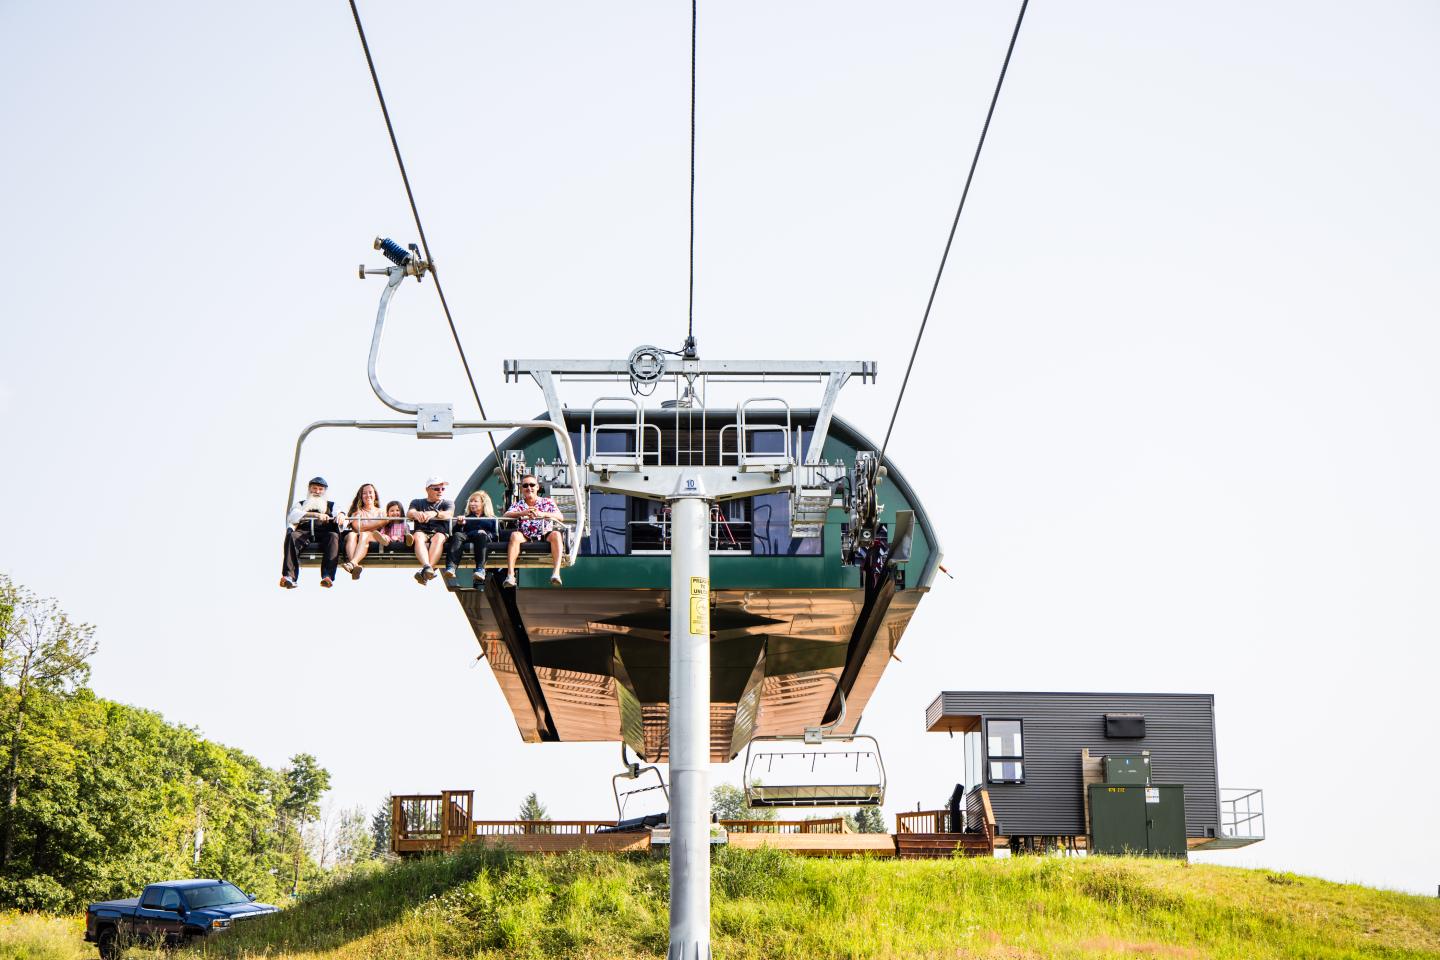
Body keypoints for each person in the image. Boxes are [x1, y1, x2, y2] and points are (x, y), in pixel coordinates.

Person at [280, 476, 346, 589]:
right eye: (314, 488)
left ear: (325, 491)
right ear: (309, 489)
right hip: (304, 533)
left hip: (325, 533)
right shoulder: (301, 505)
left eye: (320, 489)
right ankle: (289, 576)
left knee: (333, 536)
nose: (317, 492)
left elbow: (339, 513)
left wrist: (341, 515)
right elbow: (293, 516)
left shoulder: (331, 505)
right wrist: (315, 515)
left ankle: (327, 576)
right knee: (292, 536)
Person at [502, 475, 565, 587]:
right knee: (515, 535)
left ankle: (556, 573)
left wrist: (543, 514)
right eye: (525, 485)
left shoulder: (547, 502)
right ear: (521, 489)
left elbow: (560, 517)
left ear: (537, 487)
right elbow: (506, 514)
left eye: (532, 485)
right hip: (526, 535)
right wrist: (523, 513)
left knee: (556, 535)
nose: (529, 488)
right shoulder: (519, 504)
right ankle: (510, 575)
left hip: (545, 533)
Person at [407, 475, 454, 585]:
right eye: (437, 489)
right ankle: (428, 568)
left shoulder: (447, 502)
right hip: (422, 532)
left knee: (438, 537)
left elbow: (449, 514)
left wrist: (435, 513)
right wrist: (416, 513)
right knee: (418, 536)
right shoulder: (417, 502)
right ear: (427, 489)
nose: (440, 491)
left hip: (439, 533)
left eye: (442, 489)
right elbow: (410, 513)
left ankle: (426, 569)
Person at [445, 490, 497, 589]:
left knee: (481, 535)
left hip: (482, 538)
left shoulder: (491, 519)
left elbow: (496, 534)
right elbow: (455, 534)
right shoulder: (467, 518)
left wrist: (487, 534)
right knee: (458, 535)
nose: (472, 503)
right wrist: (460, 525)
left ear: (483, 503)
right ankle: (451, 567)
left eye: (475, 501)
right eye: (471, 501)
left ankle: (480, 569)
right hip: (468, 536)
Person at [341, 483, 387, 579]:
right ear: (361, 496)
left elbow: (385, 525)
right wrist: (379, 523)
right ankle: (354, 565)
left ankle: (352, 563)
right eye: (364, 493)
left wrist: (368, 527)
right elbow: (358, 528)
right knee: (351, 535)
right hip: (357, 537)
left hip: (373, 537)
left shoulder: (382, 512)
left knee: (365, 534)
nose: (368, 495)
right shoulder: (357, 512)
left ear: (375, 495)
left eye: (370, 492)